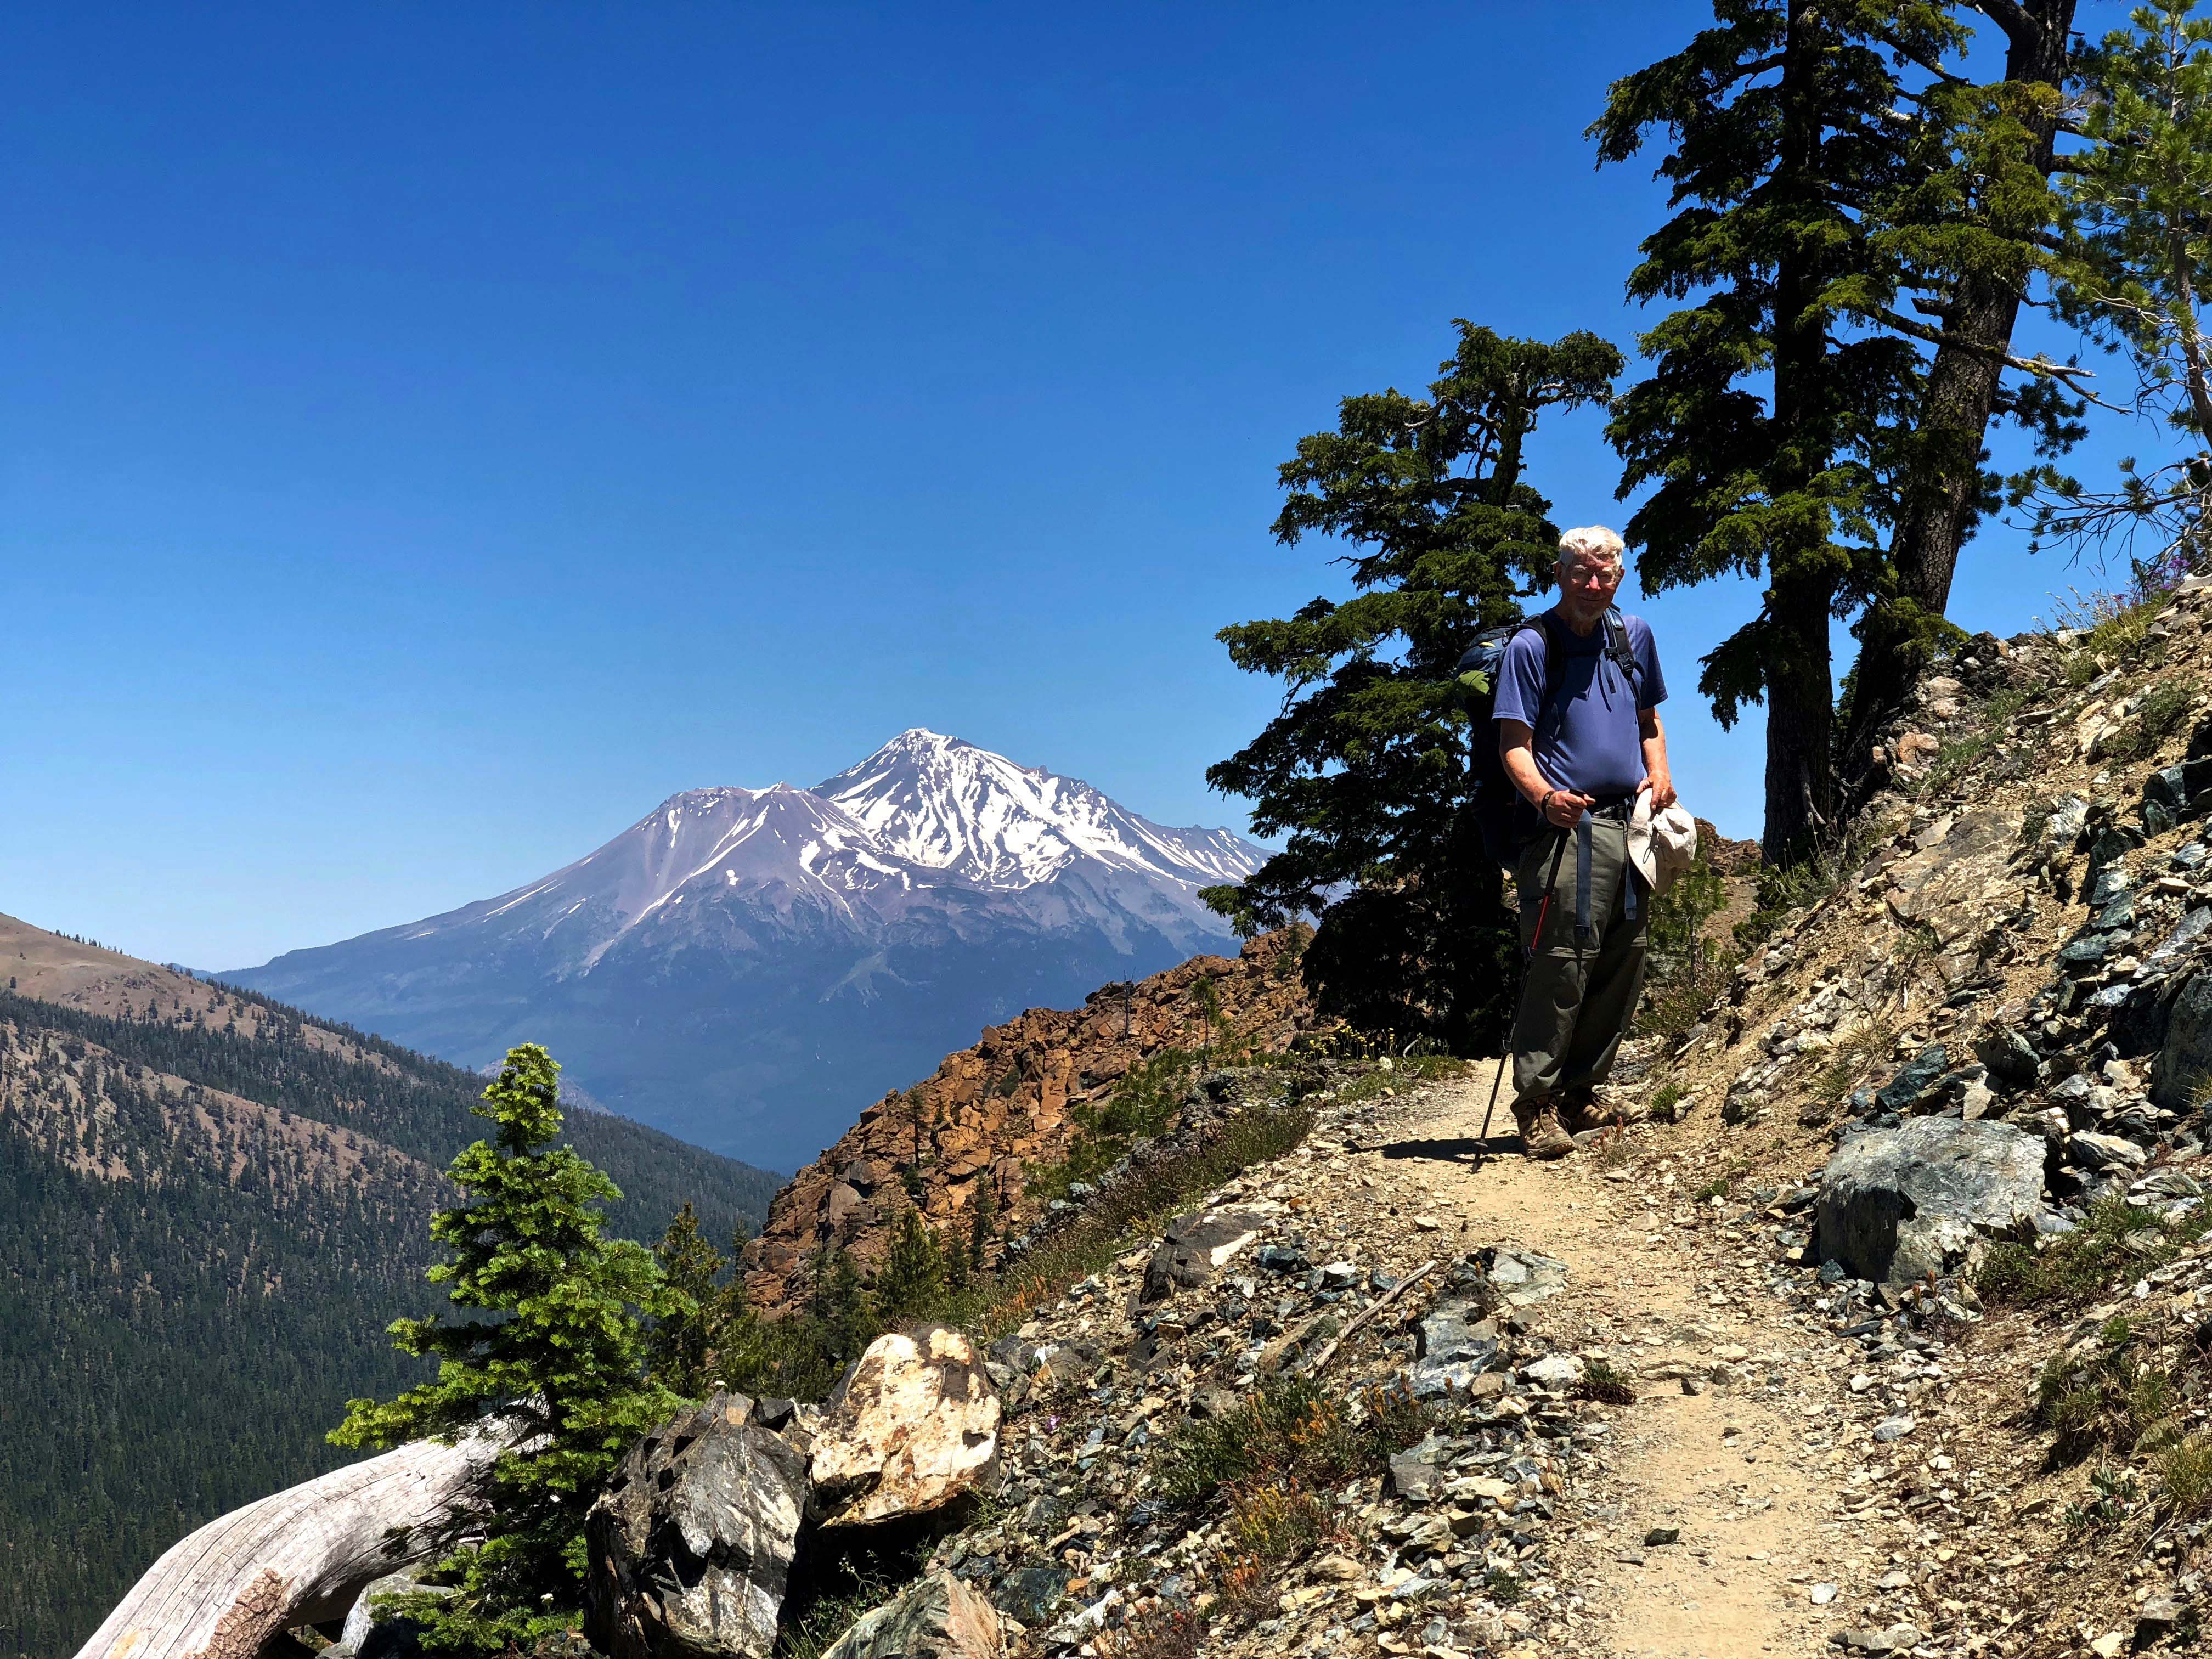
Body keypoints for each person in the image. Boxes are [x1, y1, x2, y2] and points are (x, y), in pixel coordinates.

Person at [1493, 525, 1674, 1159]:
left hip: (1632, 825)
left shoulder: (1634, 636)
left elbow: (1648, 720)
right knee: (1561, 963)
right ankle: (1536, 1104)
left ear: (1619, 578)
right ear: (1559, 573)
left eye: (1605, 575)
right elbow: (1513, 744)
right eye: (1581, 573)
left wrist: (1661, 773)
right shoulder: (1531, 646)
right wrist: (1546, 798)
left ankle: (1580, 1092)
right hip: (1564, 831)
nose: (1593, 585)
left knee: (1624, 957)